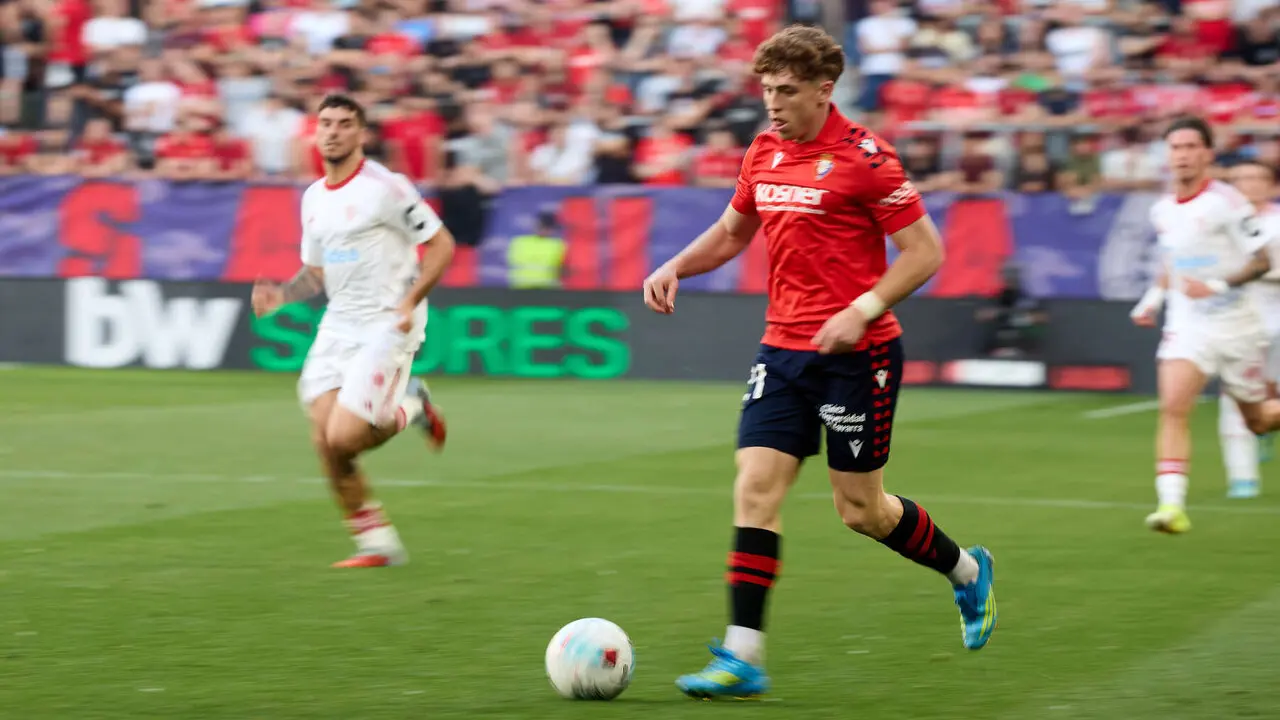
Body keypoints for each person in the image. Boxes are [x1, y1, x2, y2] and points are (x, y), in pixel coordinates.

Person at [641, 25, 996, 701]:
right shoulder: (765, 150)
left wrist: (861, 310)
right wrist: (676, 266)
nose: (772, 104)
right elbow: (731, 233)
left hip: (858, 355)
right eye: (766, 90)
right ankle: (742, 656)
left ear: (824, 90)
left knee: (861, 511)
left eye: (786, 91)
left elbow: (925, 252)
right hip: (782, 350)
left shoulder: (869, 159)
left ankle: (966, 572)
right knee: (754, 489)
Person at [251, 94, 455, 568]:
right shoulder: (314, 198)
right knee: (323, 439)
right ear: (315, 132)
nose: (334, 131)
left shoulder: (387, 187)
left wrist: (410, 300)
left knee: (344, 438)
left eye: (345, 124)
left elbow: (441, 245)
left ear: (361, 134)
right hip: (340, 323)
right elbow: (316, 272)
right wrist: (281, 294)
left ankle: (410, 405)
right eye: (326, 123)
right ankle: (376, 543)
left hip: (388, 321)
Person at [1130, 118, 1280, 534]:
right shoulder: (1161, 209)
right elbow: (1171, 264)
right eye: (1175, 146)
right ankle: (1171, 507)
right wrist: (1151, 301)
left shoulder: (1227, 203)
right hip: (1189, 327)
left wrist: (1215, 285)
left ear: (1207, 154)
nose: (1182, 154)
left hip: (1239, 328)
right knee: (1174, 407)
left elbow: (1263, 261)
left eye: (1191, 146)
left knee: (1259, 421)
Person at [1216, 160, 1280, 499]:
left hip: (1277, 317)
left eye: (1258, 178)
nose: (1250, 184)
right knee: (1235, 396)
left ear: (1272, 185)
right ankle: (1242, 479)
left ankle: (1267, 423)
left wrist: (1255, 271)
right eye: (1241, 178)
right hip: (1237, 321)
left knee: (1267, 400)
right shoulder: (1222, 223)